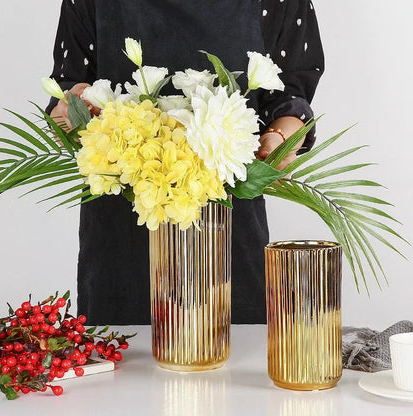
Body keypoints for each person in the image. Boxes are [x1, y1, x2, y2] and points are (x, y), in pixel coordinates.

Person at [47, 0, 324, 325]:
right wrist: (73, 109)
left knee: (233, 359)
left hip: (228, 223)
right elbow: (65, 92)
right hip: (123, 229)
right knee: (122, 360)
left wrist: (279, 137)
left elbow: (287, 93)